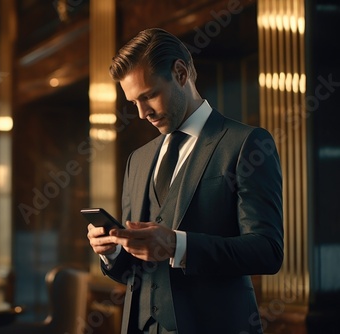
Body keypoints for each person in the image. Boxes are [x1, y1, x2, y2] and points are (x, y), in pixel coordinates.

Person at [86, 28, 284, 334]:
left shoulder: (247, 143)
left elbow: (267, 251)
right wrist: (111, 251)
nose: (142, 113)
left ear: (180, 73)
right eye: (133, 102)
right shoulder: (137, 160)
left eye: (149, 95)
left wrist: (178, 244)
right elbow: (134, 273)